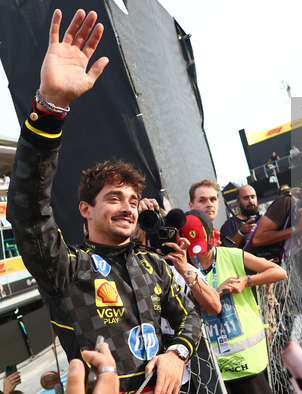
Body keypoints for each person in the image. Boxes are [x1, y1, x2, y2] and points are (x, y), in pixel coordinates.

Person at [6, 9, 203, 393]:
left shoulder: (154, 266)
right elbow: (28, 215)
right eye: (114, 198)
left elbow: (190, 315)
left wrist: (177, 352)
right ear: (86, 209)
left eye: (133, 199)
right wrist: (49, 107)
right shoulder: (66, 268)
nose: (129, 207)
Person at [182, 209, 287, 393]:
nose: (199, 255)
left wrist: (247, 281)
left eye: (203, 247)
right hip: (213, 368)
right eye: (193, 249)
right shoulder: (183, 268)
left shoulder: (231, 255)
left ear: (212, 236)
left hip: (248, 364)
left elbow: (279, 272)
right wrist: (215, 292)